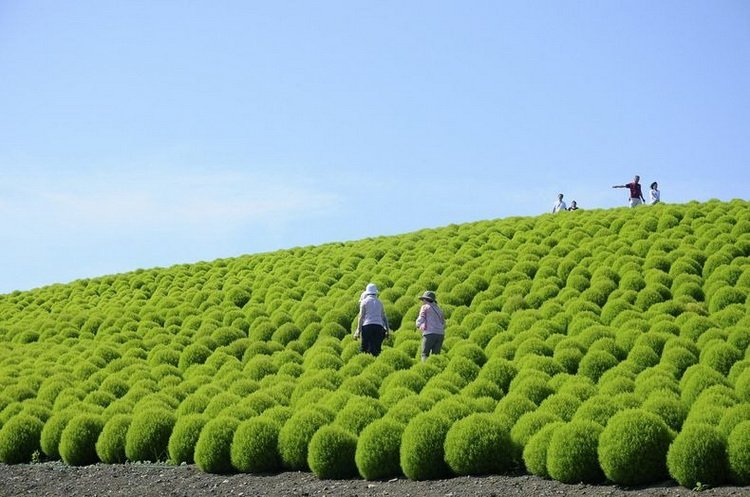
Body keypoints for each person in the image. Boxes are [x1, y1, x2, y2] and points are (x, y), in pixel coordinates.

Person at [355, 283, 389, 356]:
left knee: (364, 349)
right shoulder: (380, 303)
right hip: (378, 327)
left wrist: (358, 330)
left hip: (367, 327)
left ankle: (365, 361)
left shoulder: (364, 302)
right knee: (377, 350)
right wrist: (387, 331)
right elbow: (384, 317)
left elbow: (361, 317)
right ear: (375, 293)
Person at [415, 290, 445, 361]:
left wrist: (418, 325)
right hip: (440, 334)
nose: (422, 301)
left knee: (424, 354)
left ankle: (425, 368)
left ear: (426, 299)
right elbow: (443, 322)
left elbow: (421, 317)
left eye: (423, 299)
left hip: (430, 333)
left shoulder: (425, 307)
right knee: (436, 356)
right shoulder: (439, 309)